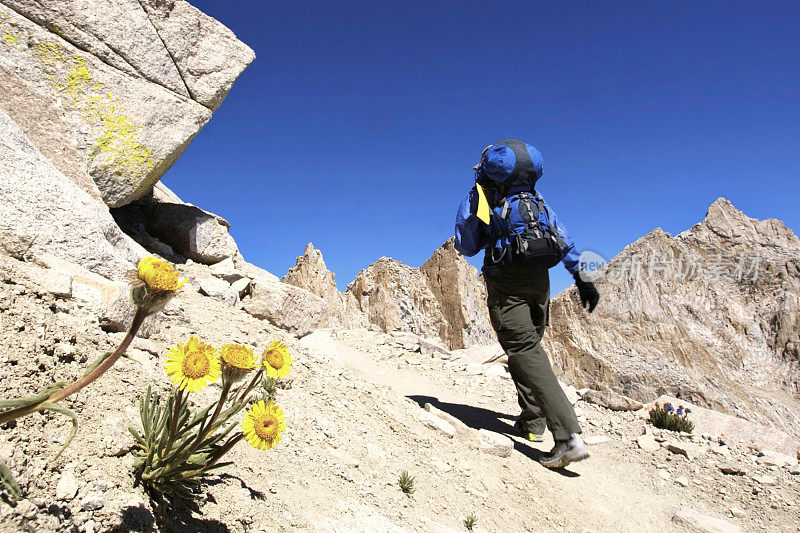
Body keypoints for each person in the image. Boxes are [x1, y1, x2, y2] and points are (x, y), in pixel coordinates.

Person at [454, 139, 600, 468]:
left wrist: (483, 219)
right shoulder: (533, 197)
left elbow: (467, 245)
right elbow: (560, 234)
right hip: (540, 279)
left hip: (507, 280)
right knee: (529, 346)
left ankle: (567, 438)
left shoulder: (480, 195)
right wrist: (581, 278)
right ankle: (533, 422)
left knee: (524, 349)